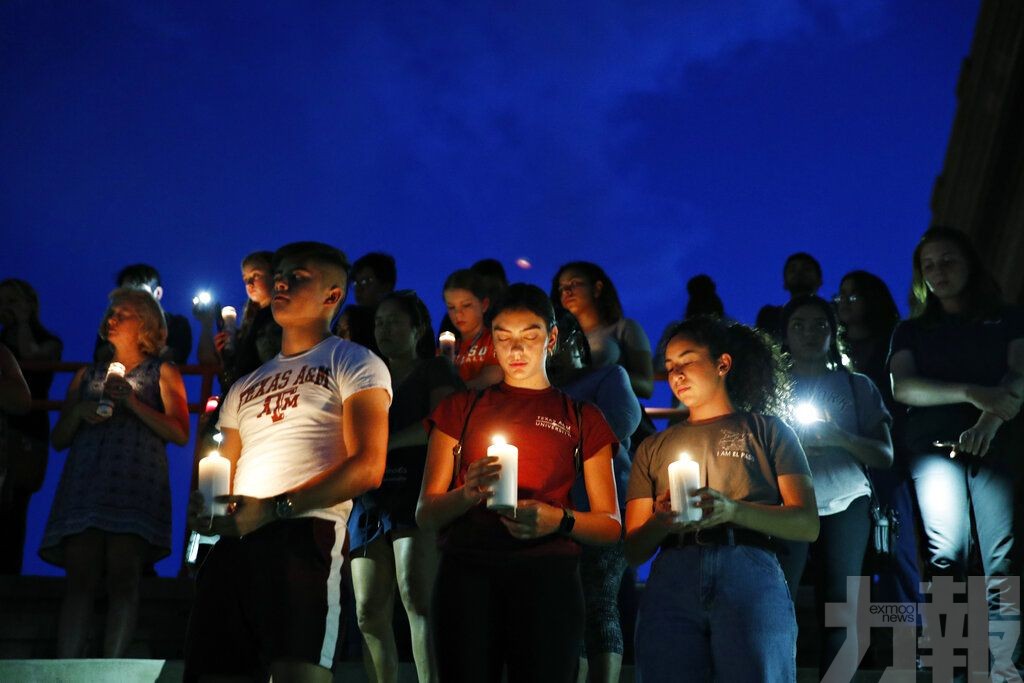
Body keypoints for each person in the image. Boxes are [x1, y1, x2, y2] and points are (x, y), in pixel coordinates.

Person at [184, 241, 392, 683]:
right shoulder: (245, 385)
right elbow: (224, 468)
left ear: (333, 296)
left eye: (298, 276)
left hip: (306, 533)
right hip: (235, 544)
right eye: (280, 273)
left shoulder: (354, 361)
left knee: (299, 670)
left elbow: (368, 466)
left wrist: (277, 508)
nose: (280, 281)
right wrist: (209, 507)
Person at [417, 283, 622, 682]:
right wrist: (467, 493)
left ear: (552, 338)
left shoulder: (583, 417)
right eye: (503, 337)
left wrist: (558, 520)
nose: (516, 350)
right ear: (490, 339)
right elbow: (426, 514)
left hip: (549, 578)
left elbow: (611, 525)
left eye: (529, 336)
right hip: (467, 575)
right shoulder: (460, 408)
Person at [625, 317, 819, 683]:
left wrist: (732, 510)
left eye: (687, 361)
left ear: (722, 364)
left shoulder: (768, 430)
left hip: (748, 568)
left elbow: (806, 522)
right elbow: (634, 549)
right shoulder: (653, 447)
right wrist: (662, 521)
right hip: (673, 575)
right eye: (669, 368)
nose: (677, 374)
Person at [889, 226, 1024, 674]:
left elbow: (1018, 377)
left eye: (947, 261)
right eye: (928, 265)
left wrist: (989, 419)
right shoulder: (911, 330)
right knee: (946, 553)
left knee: (1001, 557)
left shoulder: (1007, 318)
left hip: (998, 445)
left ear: (969, 263)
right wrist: (971, 392)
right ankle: (949, 664)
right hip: (932, 449)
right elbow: (904, 387)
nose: (938, 272)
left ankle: (1006, 668)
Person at [41, 287, 190, 657]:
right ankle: (67, 665)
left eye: (121, 313)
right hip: (87, 481)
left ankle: (113, 666)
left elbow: (180, 431)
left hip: (134, 482)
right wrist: (77, 413)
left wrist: (133, 402)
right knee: (81, 576)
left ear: (145, 324)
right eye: (110, 313)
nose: (111, 319)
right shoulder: (86, 374)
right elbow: (58, 438)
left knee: (125, 573)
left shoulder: (163, 372)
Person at [776, 294, 894, 678]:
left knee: (843, 604)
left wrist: (838, 436)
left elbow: (884, 454)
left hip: (847, 498)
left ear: (833, 332)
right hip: (786, 501)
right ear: (785, 335)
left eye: (819, 325)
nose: (809, 333)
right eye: (798, 325)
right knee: (778, 598)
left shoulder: (856, 385)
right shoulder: (770, 388)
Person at [349, 291, 462, 683]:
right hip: (370, 495)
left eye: (395, 322)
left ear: (417, 329)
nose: (385, 330)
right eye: (379, 322)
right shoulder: (365, 374)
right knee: (367, 608)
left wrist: (383, 446)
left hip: (416, 487)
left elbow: (442, 423)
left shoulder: (434, 370)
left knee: (417, 597)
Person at [547, 310, 641, 683]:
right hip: (554, 513)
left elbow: (620, 423)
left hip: (604, 509)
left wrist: (553, 440)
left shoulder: (608, 377)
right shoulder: (541, 392)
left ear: (572, 342)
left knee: (599, 601)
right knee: (565, 607)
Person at [835, 270, 922, 619]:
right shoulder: (832, 354)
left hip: (892, 454)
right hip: (844, 460)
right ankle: (872, 641)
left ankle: (911, 632)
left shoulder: (893, 340)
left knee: (899, 544)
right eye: (841, 295)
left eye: (854, 295)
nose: (844, 302)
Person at [0, 278, 63, 574]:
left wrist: (23, 322)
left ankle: (10, 571)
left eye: (13, 301)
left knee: (16, 503)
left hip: (27, 429)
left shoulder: (48, 340)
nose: (6, 308)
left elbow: (31, 355)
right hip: (9, 424)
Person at [551, 262, 653, 399]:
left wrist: (598, 374)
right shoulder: (558, 337)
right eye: (561, 288)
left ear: (597, 288)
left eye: (574, 283)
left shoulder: (624, 328)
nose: (566, 292)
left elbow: (646, 386)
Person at [196, 250, 282, 393]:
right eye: (245, 278)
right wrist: (225, 352)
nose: (249, 283)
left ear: (274, 276)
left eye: (256, 276)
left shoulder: (281, 319)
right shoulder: (249, 323)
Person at [95, 264, 192, 364]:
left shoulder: (177, 324)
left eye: (140, 294)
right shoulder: (112, 320)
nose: (131, 298)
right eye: (125, 293)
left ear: (158, 293)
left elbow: (177, 358)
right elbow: (101, 355)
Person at [442, 269, 503, 390]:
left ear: (484, 305)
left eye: (466, 305)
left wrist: (453, 392)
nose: (458, 314)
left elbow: (493, 377)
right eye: (451, 307)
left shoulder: (495, 341)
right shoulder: (447, 348)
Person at [755, 252, 823, 339]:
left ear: (819, 280)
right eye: (792, 270)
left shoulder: (833, 314)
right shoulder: (769, 317)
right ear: (785, 282)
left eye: (806, 269)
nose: (799, 273)